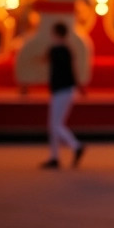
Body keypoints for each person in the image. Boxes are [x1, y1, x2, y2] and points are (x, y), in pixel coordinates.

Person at [42, 22, 84, 169]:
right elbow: (73, 69)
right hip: (67, 88)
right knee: (55, 124)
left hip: (60, 89)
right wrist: (79, 85)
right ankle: (55, 156)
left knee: (55, 124)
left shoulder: (55, 50)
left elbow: (44, 59)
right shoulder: (67, 49)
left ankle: (74, 146)